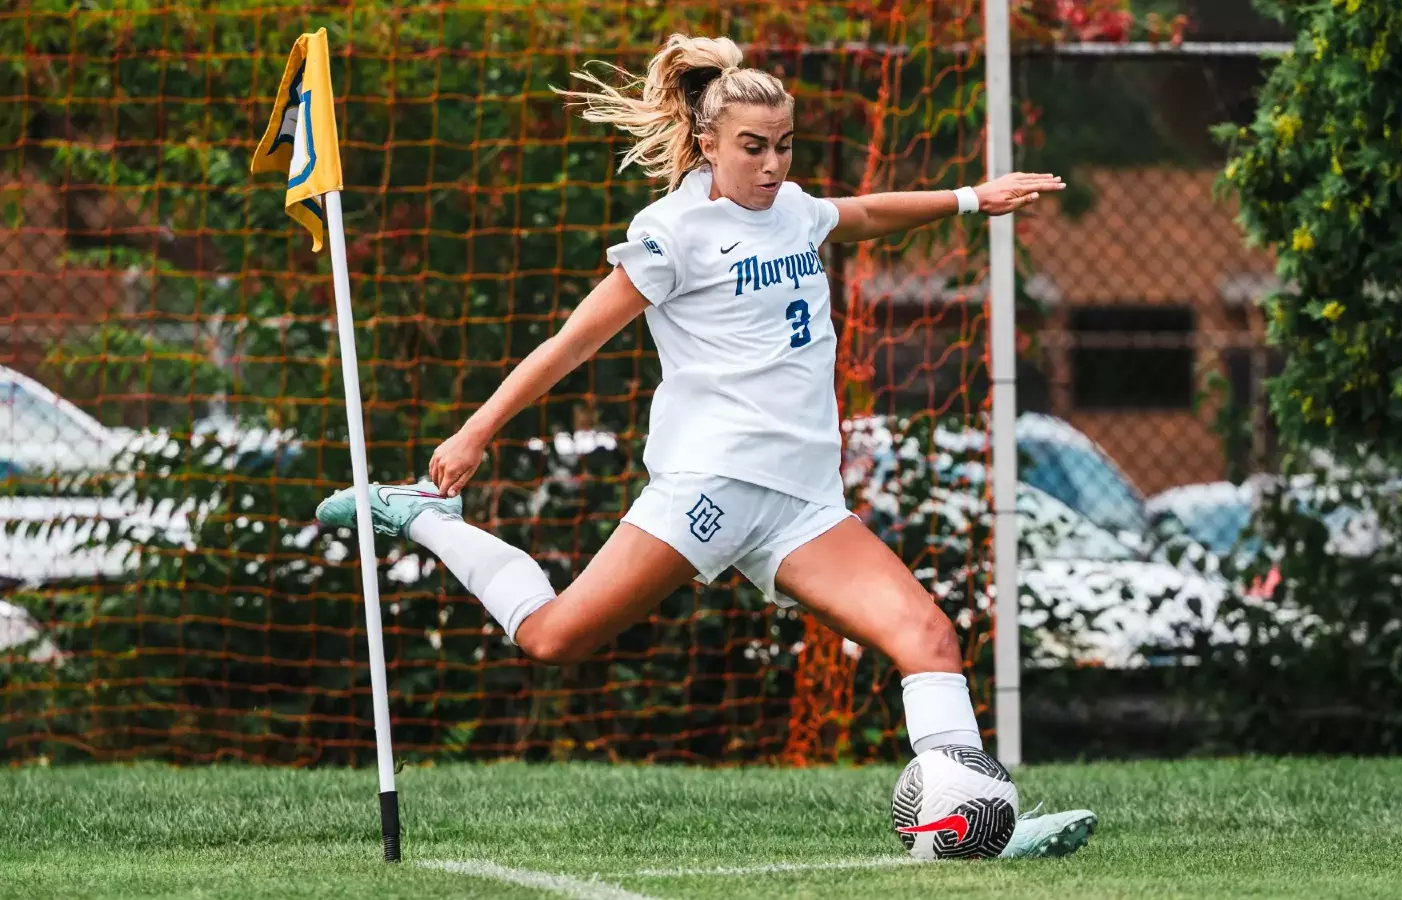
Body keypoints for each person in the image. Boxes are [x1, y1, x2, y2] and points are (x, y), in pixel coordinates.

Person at [316, 33, 1095, 858]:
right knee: (552, 639)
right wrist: (475, 430)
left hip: (803, 503)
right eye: (753, 147)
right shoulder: (673, 231)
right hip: (710, 487)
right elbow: (572, 343)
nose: (772, 165)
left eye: (784, 145)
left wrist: (972, 198)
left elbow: (864, 214)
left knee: (929, 639)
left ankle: (973, 827)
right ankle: (424, 517)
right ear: (709, 143)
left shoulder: (795, 210)